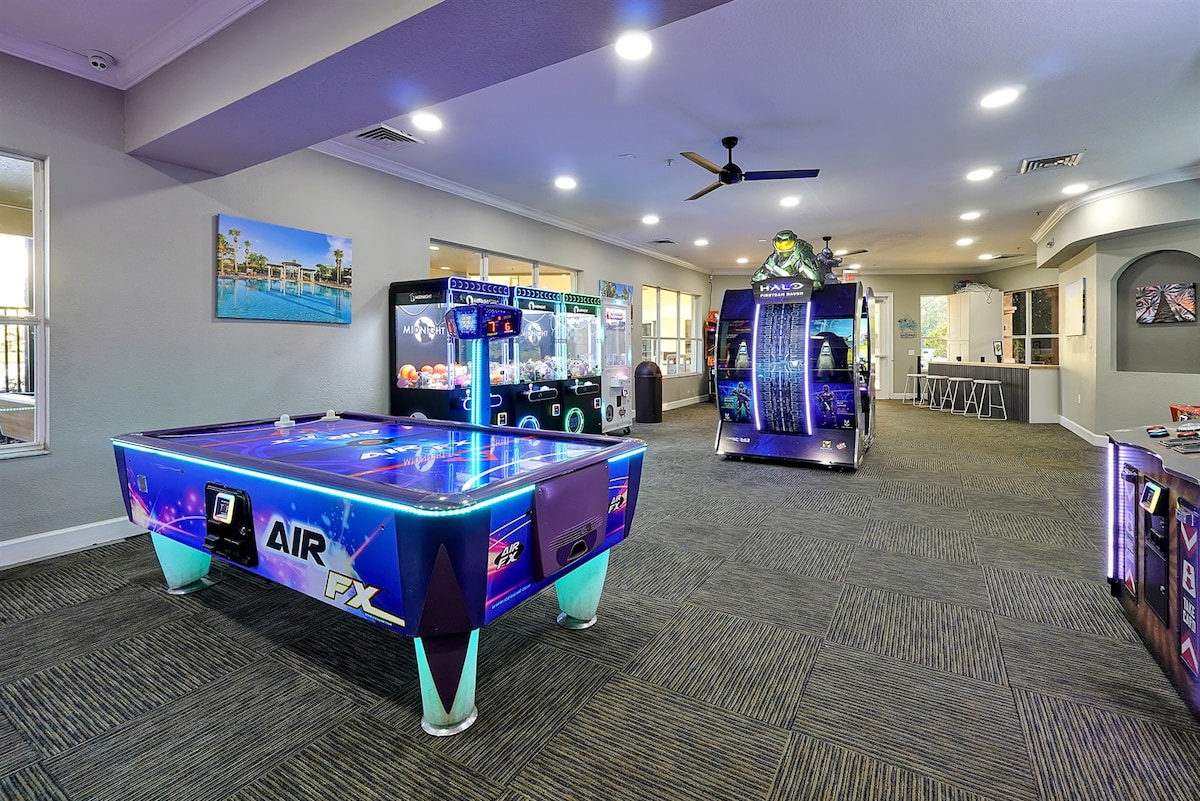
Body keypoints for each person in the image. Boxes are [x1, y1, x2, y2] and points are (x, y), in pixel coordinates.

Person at [751, 230, 823, 289]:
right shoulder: (774, 258)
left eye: (788, 244)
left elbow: (816, 282)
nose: (784, 248)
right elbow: (756, 280)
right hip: (780, 291)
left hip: (801, 290)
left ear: (794, 242)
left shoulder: (803, 254)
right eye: (780, 245)